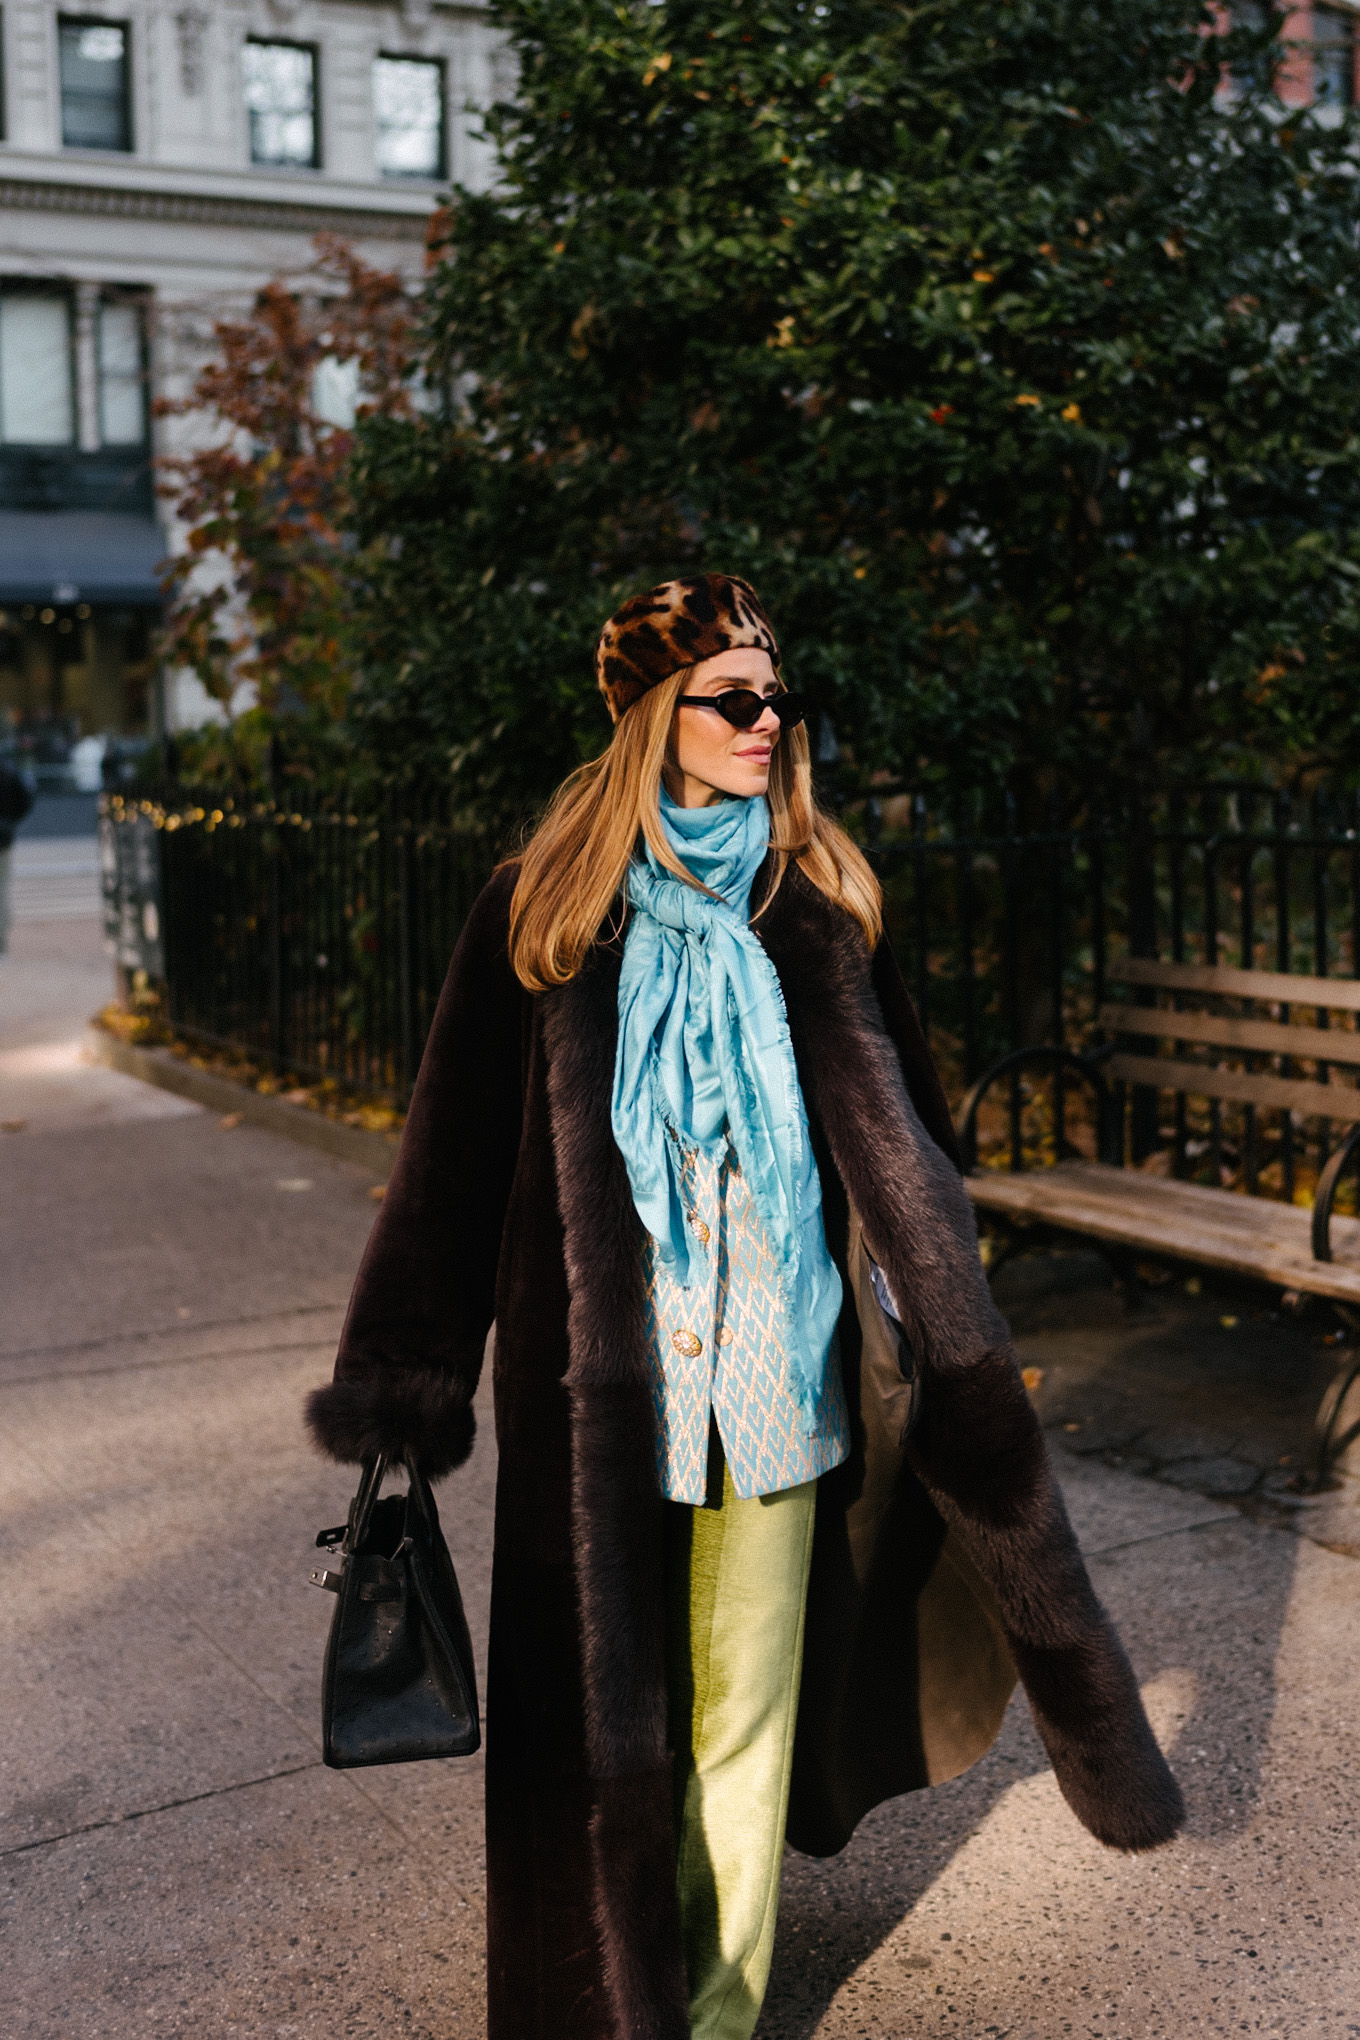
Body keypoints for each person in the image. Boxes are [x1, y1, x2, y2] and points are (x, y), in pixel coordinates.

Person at [306, 575, 1182, 2040]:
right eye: (733, 696)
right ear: (655, 715)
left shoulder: (819, 903)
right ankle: (607, 1994)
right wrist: (407, 1377)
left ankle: (710, 2012)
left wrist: (939, 1313)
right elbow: (449, 1169)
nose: (768, 719)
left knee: (745, 1723)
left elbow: (916, 1145)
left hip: (783, 1374)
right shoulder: (541, 914)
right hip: (609, 1394)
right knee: (605, 1735)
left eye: (778, 695)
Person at [0, 753, 35, 956]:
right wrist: (11, 821)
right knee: (3, 888)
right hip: (3, 836)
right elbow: (26, 797)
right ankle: (1, 938)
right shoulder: (7, 768)